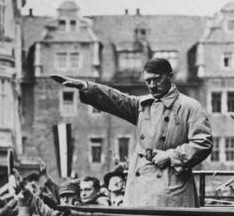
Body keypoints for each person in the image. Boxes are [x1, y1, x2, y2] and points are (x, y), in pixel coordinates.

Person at [53, 58, 212, 206]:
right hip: (139, 187)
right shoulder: (143, 105)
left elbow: (203, 143)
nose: (152, 85)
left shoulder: (190, 107)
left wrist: (171, 156)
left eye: (157, 80)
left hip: (171, 186)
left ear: (170, 76)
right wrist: (88, 87)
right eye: (148, 81)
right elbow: (117, 100)